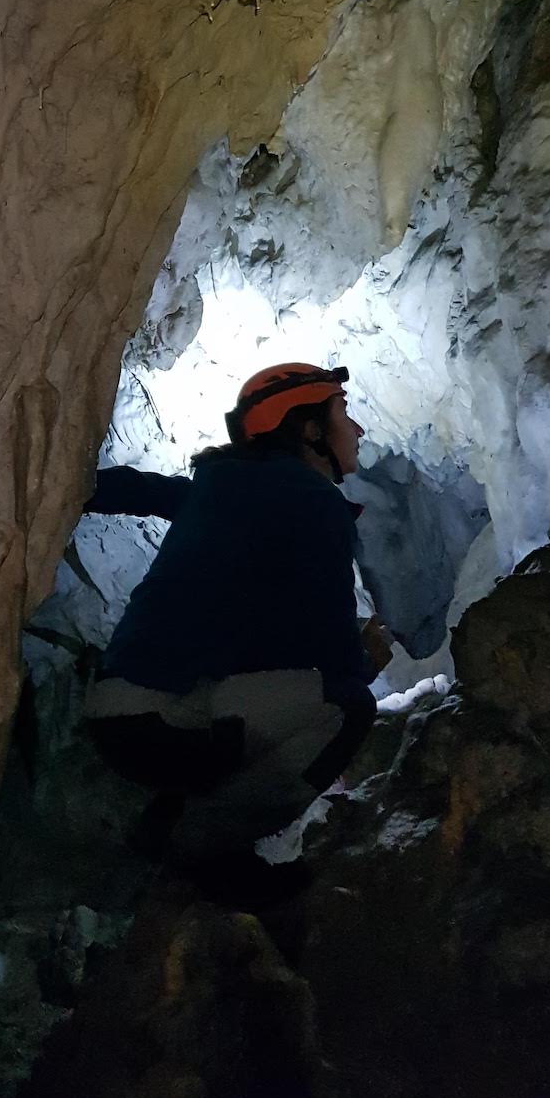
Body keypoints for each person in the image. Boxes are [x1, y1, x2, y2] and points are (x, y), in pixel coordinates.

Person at [82, 362, 391, 906]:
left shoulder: (219, 489)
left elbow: (134, 490)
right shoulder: (312, 500)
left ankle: (174, 819)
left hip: (115, 713)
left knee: (274, 688)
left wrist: (63, 487)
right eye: (344, 412)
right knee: (348, 705)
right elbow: (333, 655)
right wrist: (365, 659)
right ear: (310, 430)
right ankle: (203, 850)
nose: (358, 429)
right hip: (169, 718)